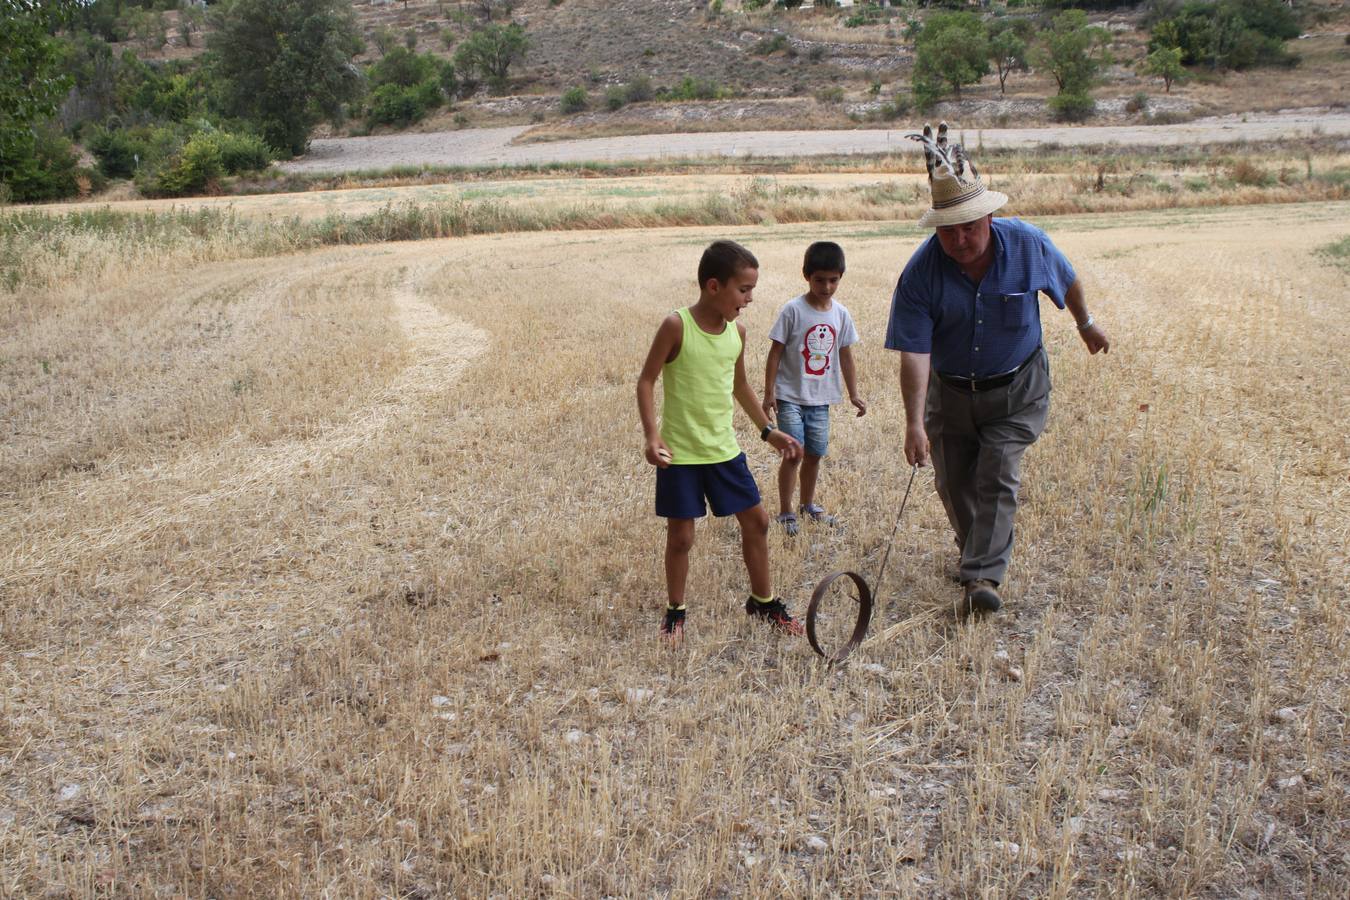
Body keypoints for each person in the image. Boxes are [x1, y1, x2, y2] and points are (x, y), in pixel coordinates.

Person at [886, 123, 1110, 615]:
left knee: (998, 471)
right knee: (953, 483)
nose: (960, 238)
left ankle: (982, 577)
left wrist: (1086, 324)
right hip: (951, 393)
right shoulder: (920, 274)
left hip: (1018, 388)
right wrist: (913, 423)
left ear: (989, 216)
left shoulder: (1028, 244)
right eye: (948, 230)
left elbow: (1067, 280)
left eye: (970, 226)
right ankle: (977, 554)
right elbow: (915, 353)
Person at [636, 239, 807, 641]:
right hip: (680, 455)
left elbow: (739, 385)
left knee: (758, 522)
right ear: (714, 286)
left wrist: (768, 431)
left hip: (723, 451)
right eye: (744, 289)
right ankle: (675, 611)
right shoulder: (676, 326)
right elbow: (646, 380)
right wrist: (651, 435)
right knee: (681, 538)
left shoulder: (737, 333)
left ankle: (762, 601)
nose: (749, 299)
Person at [761, 241, 867, 537]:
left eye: (833, 280)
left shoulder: (841, 314)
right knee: (793, 453)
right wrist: (769, 392)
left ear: (841, 277)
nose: (827, 287)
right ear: (806, 276)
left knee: (815, 454)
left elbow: (846, 355)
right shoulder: (793, 310)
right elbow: (775, 353)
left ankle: (807, 505)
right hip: (789, 396)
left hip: (820, 400)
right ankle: (786, 511)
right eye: (820, 280)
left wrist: (854, 393)